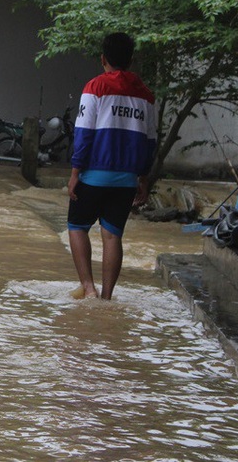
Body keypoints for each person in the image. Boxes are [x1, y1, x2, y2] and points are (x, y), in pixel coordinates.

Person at [67, 32, 156, 300]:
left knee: (76, 227)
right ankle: (107, 296)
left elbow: (83, 133)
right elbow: (150, 140)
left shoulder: (94, 88)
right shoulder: (147, 95)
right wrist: (143, 178)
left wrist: (74, 173)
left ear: (103, 58)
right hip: (127, 179)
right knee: (112, 236)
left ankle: (89, 288)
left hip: (93, 175)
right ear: (130, 59)